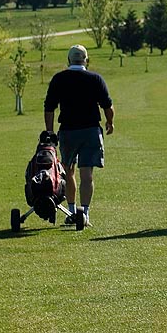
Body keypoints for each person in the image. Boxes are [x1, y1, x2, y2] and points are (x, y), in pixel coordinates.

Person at [43, 44, 114, 228]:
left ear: (68, 60)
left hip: (68, 131)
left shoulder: (59, 79)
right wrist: (109, 122)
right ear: (86, 60)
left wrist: (50, 132)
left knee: (68, 172)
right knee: (87, 174)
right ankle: (85, 213)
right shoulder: (95, 79)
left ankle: (73, 211)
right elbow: (107, 105)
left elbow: (49, 107)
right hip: (91, 131)